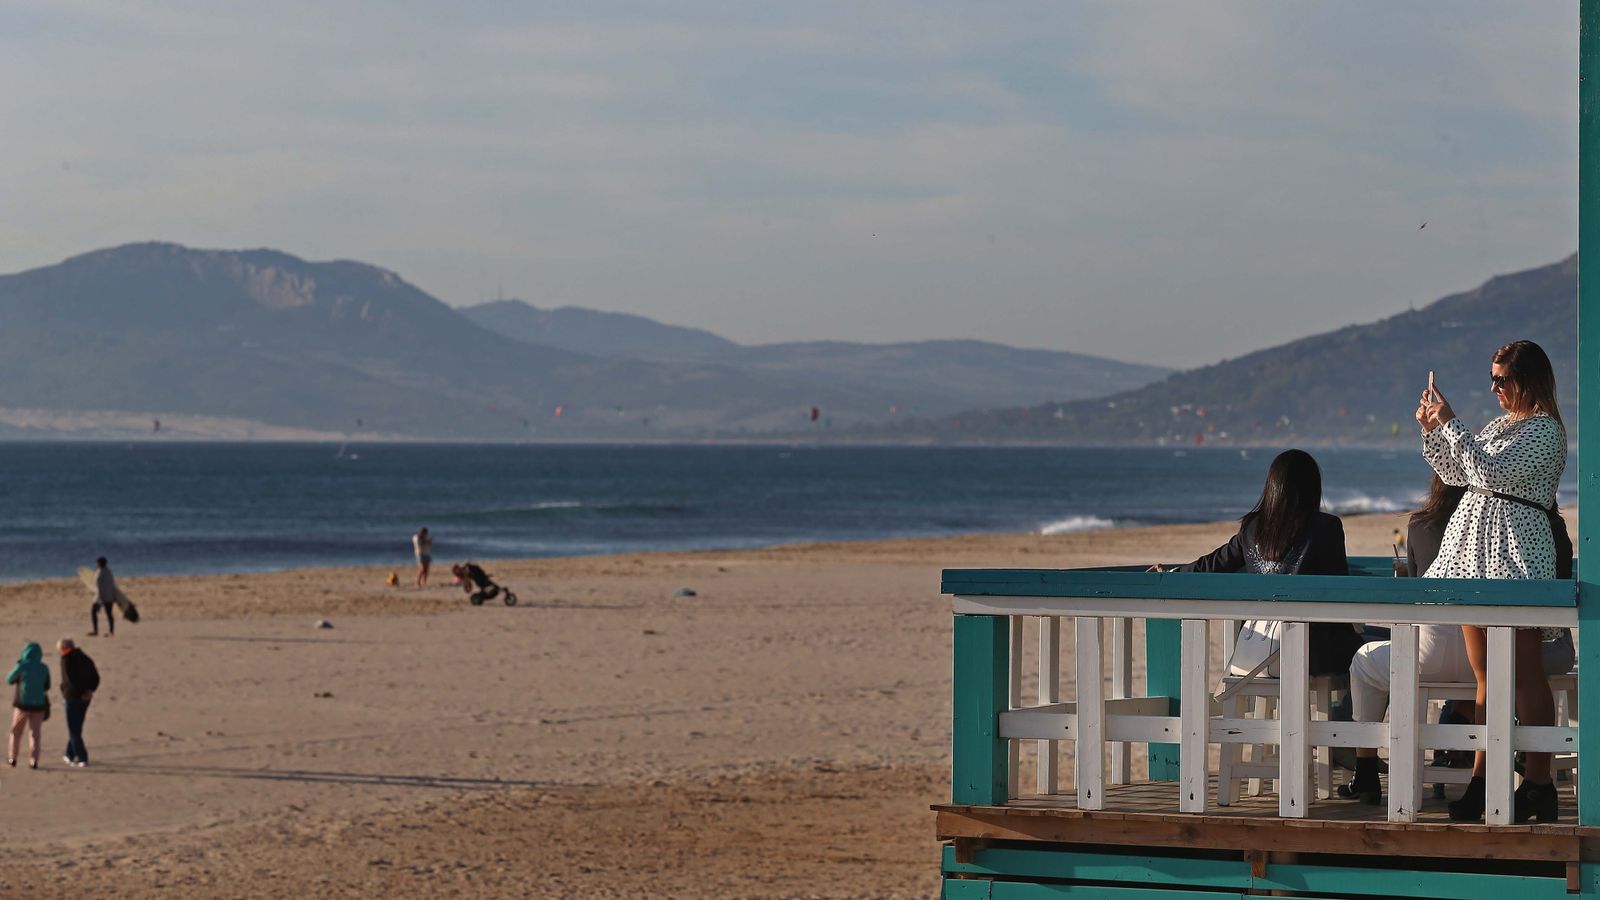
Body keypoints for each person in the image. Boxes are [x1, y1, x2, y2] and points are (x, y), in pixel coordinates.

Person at [1337, 475, 1575, 804]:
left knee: (1364, 660)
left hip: (1442, 653)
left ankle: (1365, 766)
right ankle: (1497, 753)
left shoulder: (1425, 525)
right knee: (1510, 669)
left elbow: (1417, 586)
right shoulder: (1528, 528)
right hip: (1501, 653)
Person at [1418, 339, 1567, 823]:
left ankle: (1539, 783)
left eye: (1502, 379)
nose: (1495, 387)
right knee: (1484, 678)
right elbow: (1460, 474)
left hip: (1515, 554)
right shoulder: (1501, 425)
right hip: (1473, 555)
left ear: (1529, 380)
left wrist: (1452, 423)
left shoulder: (1545, 431)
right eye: (1493, 378)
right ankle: (1485, 778)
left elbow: (1490, 470)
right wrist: (1434, 434)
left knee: (1524, 672)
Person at [1150, 449, 1364, 678]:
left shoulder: (1252, 528)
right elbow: (1339, 590)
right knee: (1366, 654)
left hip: (1257, 652)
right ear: (1312, 487)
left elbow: (1213, 564)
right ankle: (1347, 715)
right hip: (1314, 655)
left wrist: (1170, 574)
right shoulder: (1326, 527)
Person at [6, 642, 50, 769]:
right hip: (39, 705)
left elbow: (9, 679)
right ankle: (34, 760)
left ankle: (12, 757)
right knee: (35, 734)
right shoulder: (44, 667)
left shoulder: (22, 666)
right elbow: (47, 685)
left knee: (16, 732)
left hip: (22, 705)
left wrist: (19, 667)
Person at [58, 638, 99, 768]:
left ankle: (82, 757)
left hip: (73, 697)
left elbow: (70, 681)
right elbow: (96, 677)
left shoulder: (66, 659)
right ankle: (69, 754)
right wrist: (90, 690)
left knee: (74, 729)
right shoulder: (85, 657)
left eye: (60, 649)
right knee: (76, 728)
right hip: (85, 698)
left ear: (64, 648)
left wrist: (84, 692)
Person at [90, 556, 117, 637]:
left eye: (97, 563)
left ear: (99, 563)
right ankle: (111, 631)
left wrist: (100, 599)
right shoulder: (109, 571)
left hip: (101, 597)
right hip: (110, 595)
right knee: (109, 613)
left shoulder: (99, 572)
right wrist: (114, 596)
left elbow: (99, 587)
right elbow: (112, 584)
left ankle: (95, 631)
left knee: (93, 612)